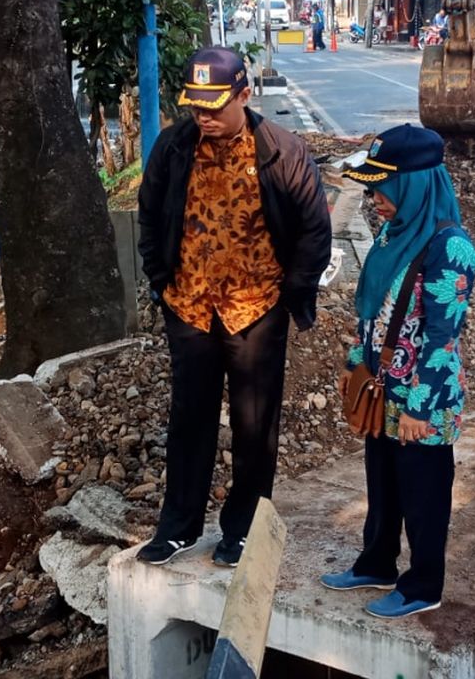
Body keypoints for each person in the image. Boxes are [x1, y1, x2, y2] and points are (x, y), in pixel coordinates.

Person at [136, 46, 332, 567]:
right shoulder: (173, 148)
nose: (203, 117)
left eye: (215, 107)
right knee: (189, 417)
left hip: (256, 310)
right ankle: (177, 527)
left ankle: (243, 529)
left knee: (254, 423)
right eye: (195, 106)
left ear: (244, 96)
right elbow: (150, 215)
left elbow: (315, 229)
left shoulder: (280, 151)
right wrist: (162, 281)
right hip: (190, 309)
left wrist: (293, 292)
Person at [320, 124, 475, 619]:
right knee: (383, 482)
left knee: (424, 495)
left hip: (421, 402)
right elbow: (370, 311)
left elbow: (440, 337)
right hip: (383, 390)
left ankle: (423, 585)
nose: (373, 198)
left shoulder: (449, 248)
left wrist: (418, 407)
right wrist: (355, 363)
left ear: (414, 183)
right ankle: (377, 562)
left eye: (382, 186)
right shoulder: (395, 234)